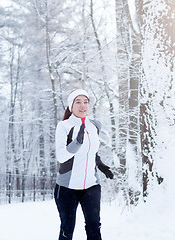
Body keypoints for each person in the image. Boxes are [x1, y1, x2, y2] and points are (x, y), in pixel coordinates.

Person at [54, 89, 114, 240]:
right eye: (78, 102)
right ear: (71, 106)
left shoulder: (95, 126)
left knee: (94, 227)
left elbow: (91, 152)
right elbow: (61, 156)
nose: (83, 106)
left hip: (91, 185)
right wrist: (76, 143)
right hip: (67, 188)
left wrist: (100, 165)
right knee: (67, 229)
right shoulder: (64, 126)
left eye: (85, 102)